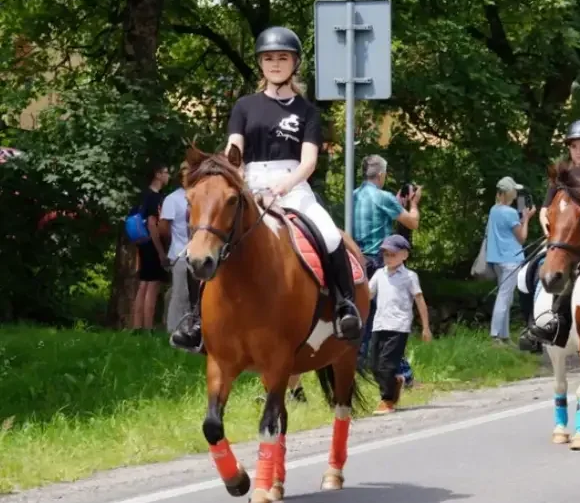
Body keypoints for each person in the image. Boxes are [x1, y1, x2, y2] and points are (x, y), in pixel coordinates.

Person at [170, 25, 361, 353]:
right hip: (250, 186)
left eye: (282, 58)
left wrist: (283, 186)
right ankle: (194, 320)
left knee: (330, 235)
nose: (275, 64)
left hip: (294, 186)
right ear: (261, 64)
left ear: (294, 63)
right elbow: (234, 152)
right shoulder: (245, 106)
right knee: (194, 250)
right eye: (269, 58)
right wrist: (242, 182)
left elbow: (309, 162)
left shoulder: (307, 111)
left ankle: (345, 306)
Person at [521, 119, 580, 347]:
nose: (578, 152)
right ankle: (535, 324)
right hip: (561, 238)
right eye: (574, 147)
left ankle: (559, 318)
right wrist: (545, 218)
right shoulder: (562, 175)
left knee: (572, 272)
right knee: (528, 273)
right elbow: (546, 208)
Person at [352, 154, 422, 366]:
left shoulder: (353, 195)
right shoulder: (383, 197)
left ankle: (361, 362)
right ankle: (400, 370)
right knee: (390, 317)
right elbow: (412, 223)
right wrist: (414, 204)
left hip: (356, 261)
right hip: (378, 261)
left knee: (364, 315)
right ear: (381, 175)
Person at [368, 234, 431, 415]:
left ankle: (387, 400)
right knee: (373, 364)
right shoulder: (379, 274)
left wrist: (426, 327)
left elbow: (419, 300)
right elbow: (367, 295)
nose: (388, 258)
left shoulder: (410, 276)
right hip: (379, 325)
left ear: (404, 255)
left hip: (399, 327)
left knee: (387, 365)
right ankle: (396, 382)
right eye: (386, 255)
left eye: (392, 254)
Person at [486, 176, 535, 344]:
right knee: (504, 297)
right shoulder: (510, 212)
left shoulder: (494, 209)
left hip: (497, 260)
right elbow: (522, 237)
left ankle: (504, 336)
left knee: (505, 297)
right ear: (507, 193)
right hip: (510, 260)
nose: (516, 193)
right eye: (514, 190)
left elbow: (511, 229)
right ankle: (495, 336)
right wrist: (527, 218)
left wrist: (522, 217)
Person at [133, 164, 170, 332]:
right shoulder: (155, 198)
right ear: (158, 174)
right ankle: (148, 328)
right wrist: (161, 251)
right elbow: (152, 224)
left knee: (143, 285)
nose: (168, 176)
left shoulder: (141, 196)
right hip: (153, 244)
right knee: (153, 286)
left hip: (142, 243)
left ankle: (137, 326)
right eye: (166, 172)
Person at [159, 163, 193, 332]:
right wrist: (176, 242)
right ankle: (174, 332)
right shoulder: (172, 199)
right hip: (180, 253)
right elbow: (164, 226)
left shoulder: (198, 195)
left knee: (188, 294)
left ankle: (190, 329)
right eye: (186, 172)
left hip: (197, 253)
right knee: (181, 294)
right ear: (181, 177)